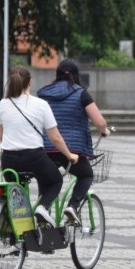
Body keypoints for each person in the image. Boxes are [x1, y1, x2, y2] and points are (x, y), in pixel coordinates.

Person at [0, 65, 78, 227]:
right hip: (34, 158)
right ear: (30, 82)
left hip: (8, 160)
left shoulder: (3, 104)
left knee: (16, 196)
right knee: (55, 181)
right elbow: (55, 138)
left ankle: (16, 236)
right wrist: (69, 155)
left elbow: (2, 136)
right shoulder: (40, 105)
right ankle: (42, 208)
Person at [37, 59, 111, 224]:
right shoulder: (81, 93)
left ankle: (42, 218)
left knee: (48, 182)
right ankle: (73, 206)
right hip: (72, 151)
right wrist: (104, 131)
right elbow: (100, 122)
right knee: (86, 175)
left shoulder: (43, 93)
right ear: (76, 75)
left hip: (46, 147)